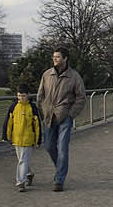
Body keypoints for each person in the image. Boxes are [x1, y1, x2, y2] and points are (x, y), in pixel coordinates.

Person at [37, 48, 86, 193]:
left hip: (65, 116)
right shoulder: (47, 74)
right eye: (54, 56)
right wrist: (42, 110)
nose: (55, 59)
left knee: (63, 149)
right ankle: (60, 168)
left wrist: (71, 115)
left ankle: (59, 180)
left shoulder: (74, 77)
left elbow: (81, 97)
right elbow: (40, 94)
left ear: (65, 58)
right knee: (49, 146)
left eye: (57, 57)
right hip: (48, 116)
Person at [3, 91, 41, 192]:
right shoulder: (13, 106)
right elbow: (8, 122)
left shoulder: (32, 107)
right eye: (19, 96)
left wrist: (38, 140)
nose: (21, 98)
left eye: (23, 96)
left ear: (28, 95)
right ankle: (29, 174)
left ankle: (21, 182)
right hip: (16, 138)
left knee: (23, 160)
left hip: (28, 139)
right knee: (22, 159)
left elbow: (37, 125)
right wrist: (6, 136)